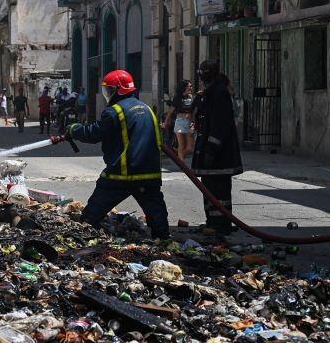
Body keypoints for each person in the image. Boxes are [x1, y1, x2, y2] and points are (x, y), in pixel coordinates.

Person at [58, 69, 170, 239]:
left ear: (119, 91)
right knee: (157, 217)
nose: (108, 95)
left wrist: (74, 129)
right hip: (149, 174)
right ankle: (163, 241)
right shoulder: (147, 109)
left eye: (109, 90)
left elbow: (94, 133)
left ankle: (85, 237)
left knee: (90, 216)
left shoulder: (115, 111)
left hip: (122, 175)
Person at [191, 59, 243, 236]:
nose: (201, 76)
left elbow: (220, 124)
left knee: (218, 190)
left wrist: (212, 148)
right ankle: (213, 221)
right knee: (209, 189)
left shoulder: (219, 93)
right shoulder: (209, 92)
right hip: (209, 151)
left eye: (204, 72)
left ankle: (221, 224)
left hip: (219, 155)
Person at [162, 80, 195, 161]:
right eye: (189, 86)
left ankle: (179, 159)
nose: (191, 88)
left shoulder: (191, 97)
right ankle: (182, 165)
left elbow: (194, 110)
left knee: (190, 148)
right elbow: (170, 111)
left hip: (189, 123)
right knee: (181, 145)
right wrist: (166, 123)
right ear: (184, 87)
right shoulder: (177, 97)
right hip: (180, 122)